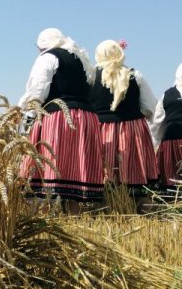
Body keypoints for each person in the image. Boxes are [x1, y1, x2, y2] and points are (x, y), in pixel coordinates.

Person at [18, 28, 103, 213]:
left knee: (51, 168)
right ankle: (73, 216)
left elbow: (37, 92)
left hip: (59, 117)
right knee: (75, 171)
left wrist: (26, 118)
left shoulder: (48, 57)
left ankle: (49, 216)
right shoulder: (81, 59)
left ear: (42, 44)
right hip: (86, 118)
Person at [89, 40, 158, 210]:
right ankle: (138, 205)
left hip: (102, 129)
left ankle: (106, 205)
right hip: (132, 129)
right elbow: (150, 107)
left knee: (106, 169)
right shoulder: (135, 75)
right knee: (133, 168)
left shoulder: (90, 76)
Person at [151, 63, 182, 193]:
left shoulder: (167, 95)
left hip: (171, 141)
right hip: (172, 139)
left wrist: (157, 140)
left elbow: (158, 120)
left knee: (172, 176)